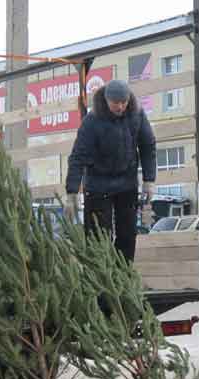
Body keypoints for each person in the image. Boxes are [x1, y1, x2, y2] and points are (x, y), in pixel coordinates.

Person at [64, 79, 156, 262]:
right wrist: (71, 192)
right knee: (98, 238)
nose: (121, 106)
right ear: (106, 100)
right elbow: (78, 156)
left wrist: (149, 180)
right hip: (98, 186)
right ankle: (99, 285)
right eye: (116, 103)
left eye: (124, 102)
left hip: (127, 184)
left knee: (128, 236)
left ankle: (122, 280)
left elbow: (148, 145)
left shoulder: (136, 115)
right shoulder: (92, 121)